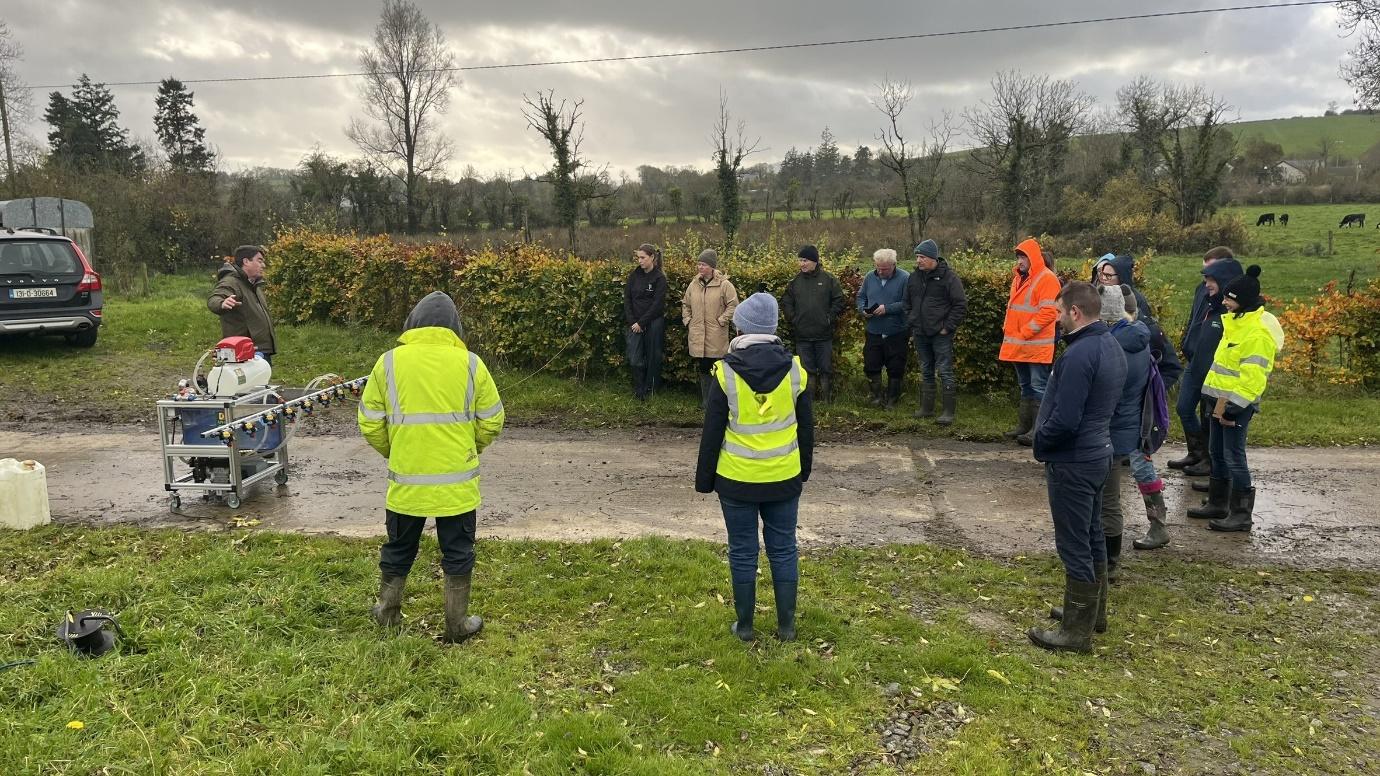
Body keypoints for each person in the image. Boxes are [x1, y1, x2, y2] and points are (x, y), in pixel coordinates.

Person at [358, 291, 505, 644]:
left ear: (411, 323)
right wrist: (470, 449)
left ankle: (388, 614)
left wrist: (397, 453)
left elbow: (369, 421)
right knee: (458, 552)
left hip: (406, 484)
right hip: (457, 486)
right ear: (455, 328)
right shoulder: (471, 364)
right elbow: (492, 420)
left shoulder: (388, 363)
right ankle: (457, 625)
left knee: (398, 548)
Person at [696, 292, 814, 643]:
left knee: (743, 550)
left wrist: (705, 480)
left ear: (742, 327)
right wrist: (802, 471)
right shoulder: (796, 370)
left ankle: (745, 626)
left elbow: (712, 432)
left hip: (737, 480)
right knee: (783, 548)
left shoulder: (725, 372)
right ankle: (787, 627)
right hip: (783, 478)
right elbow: (806, 429)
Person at [1027, 281, 1127, 654]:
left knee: (1074, 544)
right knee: (1092, 535)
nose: (1056, 321)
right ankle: (1091, 613)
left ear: (1075, 312)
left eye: (1058, 313)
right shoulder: (1109, 345)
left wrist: (1041, 441)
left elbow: (1065, 419)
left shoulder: (1079, 354)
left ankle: (1075, 633)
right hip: (1099, 453)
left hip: (1074, 460)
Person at [1192, 266, 1284, 532]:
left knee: (1233, 456)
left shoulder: (1256, 333)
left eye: (1228, 298)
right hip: (1219, 399)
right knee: (1217, 452)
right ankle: (1219, 503)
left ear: (1242, 301)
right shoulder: (1234, 323)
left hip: (1235, 405)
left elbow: (1254, 377)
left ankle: (1241, 513)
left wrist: (1235, 406)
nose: (1223, 301)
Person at [1181, 257, 1246, 499]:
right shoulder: (1211, 305)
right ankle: (1216, 484)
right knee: (1203, 424)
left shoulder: (1231, 316)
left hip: (1225, 387)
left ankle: (1226, 495)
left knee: (1229, 447)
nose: (1206, 283)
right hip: (1203, 374)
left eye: (1211, 278)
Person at [1168, 247, 1236, 475]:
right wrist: (1187, 341)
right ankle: (1196, 452)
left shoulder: (1230, 303)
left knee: (1209, 417)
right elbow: (1193, 318)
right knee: (1184, 408)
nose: (1206, 278)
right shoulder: (1202, 291)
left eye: (1211, 272)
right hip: (1194, 362)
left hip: (1214, 368)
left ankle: (1209, 461)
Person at [1000, 239, 1062, 446]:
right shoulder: (1019, 278)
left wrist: (1025, 332)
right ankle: (1025, 426)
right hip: (1020, 344)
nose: (1020, 261)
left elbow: (1048, 312)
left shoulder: (1047, 279)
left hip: (1035, 345)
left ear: (1032, 257)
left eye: (1023, 256)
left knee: (1038, 387)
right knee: (1026, 386)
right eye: (1018, 256)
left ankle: (1038, 430)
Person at [905, 239, 967, 425]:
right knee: (926, 370)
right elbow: (906, 302)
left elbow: (960, 305)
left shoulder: (949, 278)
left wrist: (947, 327)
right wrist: (912, 320)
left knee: (945, 370)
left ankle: (948, 411)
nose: (919, 260)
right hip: (920, 332)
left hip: (940, 334)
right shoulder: (913, 277)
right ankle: (927, 408)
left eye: (922, 257)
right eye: (917, 257)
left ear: (933, 258)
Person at [781, 245, 845, 403]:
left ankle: (827, 401)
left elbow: (839, 300)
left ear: (815, 261)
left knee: (826, 369)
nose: (801, 264)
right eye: (800, 260)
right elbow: (786, 302)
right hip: (802, 335)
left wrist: (829, 318)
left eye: (805, 260)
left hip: (824, 335)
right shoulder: (794, 282)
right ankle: (808, 402)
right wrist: (793, 318)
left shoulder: (828, 280)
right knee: (806, 370)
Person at [682, 249, 739, 407]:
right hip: (698, 334)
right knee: (703, 367)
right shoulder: (693, 284)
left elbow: (733, 305)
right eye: (699, 264)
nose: (700, 267)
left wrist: (722, 320)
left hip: (716, 335)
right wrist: (688, 320)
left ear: (712, 267)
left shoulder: (725, 285)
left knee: (718, 368)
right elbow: (686, 304)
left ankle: (719, 401)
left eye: (704, 264)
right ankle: (706, 401)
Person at [856, 248, 910, 408]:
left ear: (893, 265)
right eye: (878, 267)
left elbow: (908, 302)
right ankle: (876, 397)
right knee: (872, 364)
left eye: (884, 269)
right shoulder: (869, 277)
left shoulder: (905, 278)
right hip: (874, 330)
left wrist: (887, 308)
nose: (880, 271)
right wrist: (863, 309)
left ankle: (893, 399)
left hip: (896, 331)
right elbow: (861, 296)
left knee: (896, 366)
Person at [208, 245, 277, 363]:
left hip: (260, 350)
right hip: (243, 352)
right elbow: (214, 299)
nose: (263, 265)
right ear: (246, 261)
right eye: (259, 260)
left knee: (261, 382)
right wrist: (222, 303)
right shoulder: (231, 281)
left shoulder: (254, 284)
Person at [624, 243, 668, 401]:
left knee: (652, 357)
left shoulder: (659, 278)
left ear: (652, 258)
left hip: (653, 323)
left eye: (643, 257)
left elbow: (657, 305)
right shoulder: (634, 275)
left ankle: (651, 390)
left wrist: (642, 323)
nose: (640, 261)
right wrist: (633, 322)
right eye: (638, 258)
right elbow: (627, 299)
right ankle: (639, 389)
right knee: (635, 359)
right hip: (634, 324)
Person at [1091, 253, 1155, 323]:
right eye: (1103, 274)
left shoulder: (1136, 300)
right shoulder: (1105, 294)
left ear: (1121, 277)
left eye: (1108, 275)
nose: (1103, 278)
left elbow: (1142, 329)